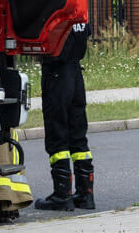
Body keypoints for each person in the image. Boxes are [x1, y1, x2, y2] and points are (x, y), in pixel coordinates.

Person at [35, 21, 94, 211]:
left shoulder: (57, 4)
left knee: (57, 131)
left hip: (56, 72)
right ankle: (85, 194)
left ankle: (62, 195)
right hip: (76, 73)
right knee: (78, 134)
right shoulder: (78, 9)